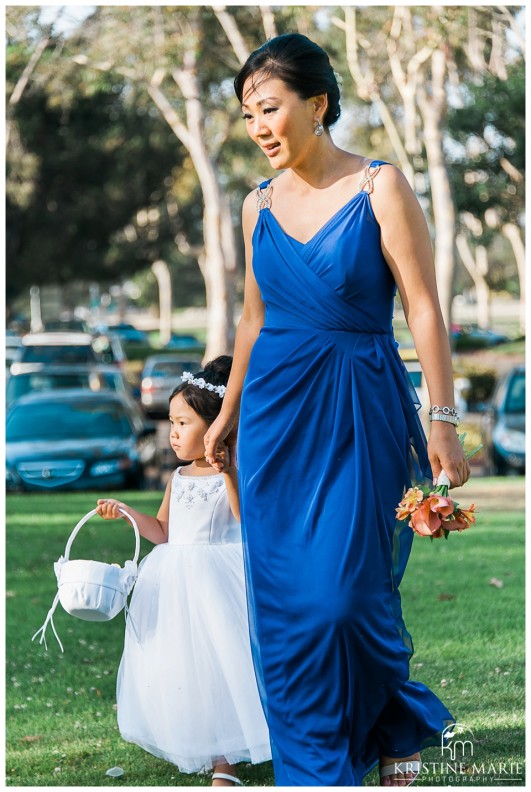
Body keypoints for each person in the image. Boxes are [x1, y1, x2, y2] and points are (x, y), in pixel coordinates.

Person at [204, 33, 470, 787]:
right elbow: (253, 321)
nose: (257, 127)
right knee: (286, 607)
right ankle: (316, 766)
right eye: (248, 113)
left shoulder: (376, 186)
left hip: (360, 407)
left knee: (347, 601)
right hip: (273, 419)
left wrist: (441, 418)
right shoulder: (255, 206)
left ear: (316, 105)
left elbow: (422, 306)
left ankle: (389, 718)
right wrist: (226, 416)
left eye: (269, 108)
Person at [96, 356, 272, 787]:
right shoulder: (177, 476)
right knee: (191, 671)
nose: (173, 434)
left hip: (220, 578)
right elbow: (164, 531)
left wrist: (227, 471)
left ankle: (230, 761)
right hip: (176, 581)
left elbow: (242, 517)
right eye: (171, 423)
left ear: (215, 426)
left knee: (230, 665)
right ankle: (218, 757)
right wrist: (125, 512)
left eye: (183, 423)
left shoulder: (232, 470)